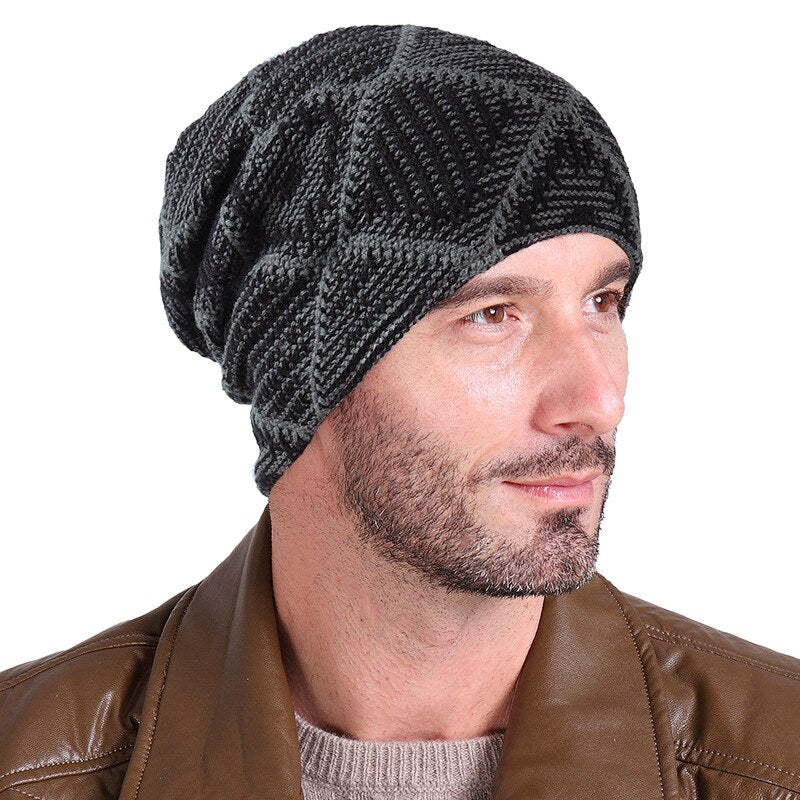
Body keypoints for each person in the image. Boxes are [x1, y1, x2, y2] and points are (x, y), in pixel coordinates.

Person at [1, 23, 798, 800]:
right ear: (304, 370)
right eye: (492, 315)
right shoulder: (27, 766)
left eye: (602, 302)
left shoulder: (773, 759)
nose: (598, 401)